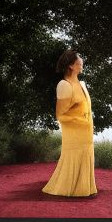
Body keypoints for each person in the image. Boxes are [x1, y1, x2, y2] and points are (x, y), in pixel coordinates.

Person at [41, 48, 98, 198]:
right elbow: (60, 115)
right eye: (80, 60)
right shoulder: (64, 85)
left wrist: (88, 123)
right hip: (74, 134)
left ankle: (84, 189)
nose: (82, 62)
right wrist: (80, 121)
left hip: (86, 132)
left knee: (87, 156)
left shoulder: (82, 84)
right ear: (72, 65)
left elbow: (85, 108)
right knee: (74, 157)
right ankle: (67, 189)